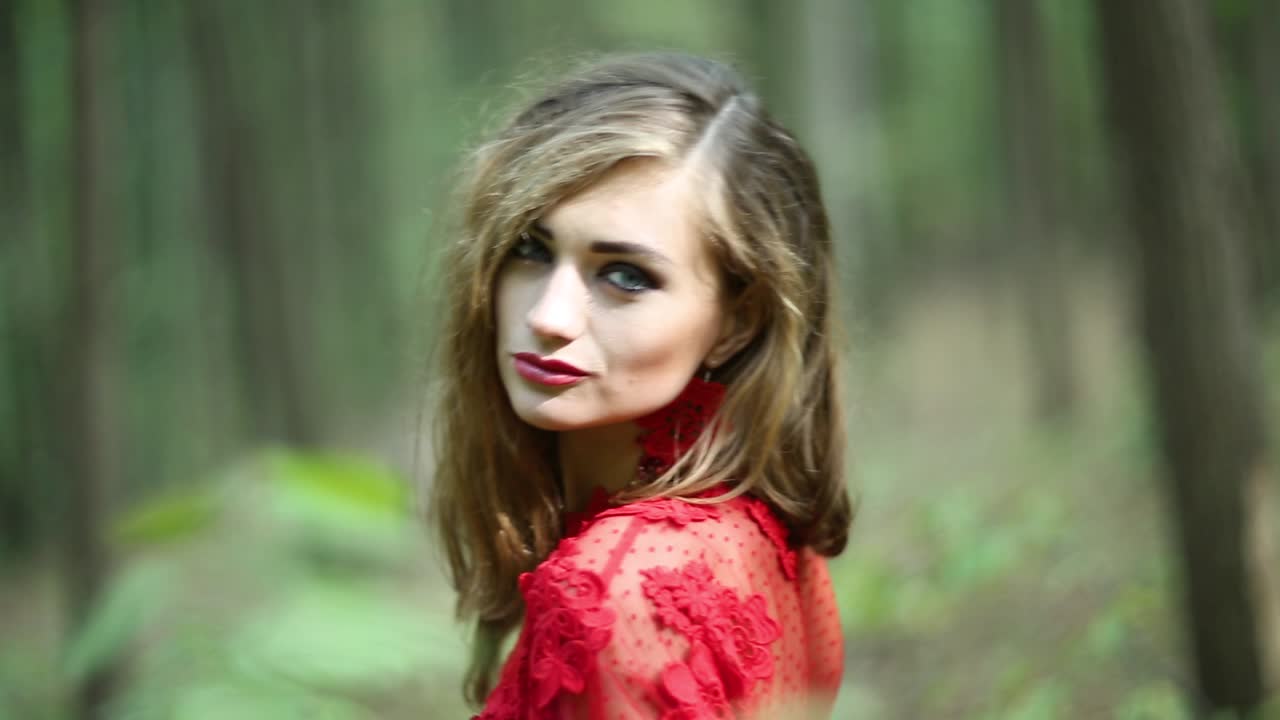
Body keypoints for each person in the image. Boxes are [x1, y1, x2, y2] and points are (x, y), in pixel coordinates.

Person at [429, 52, 852, 719]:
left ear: (736, 322)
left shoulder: (616, 591)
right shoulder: (761, 525)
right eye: (531, 249)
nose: (548, 316)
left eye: (625, 276)